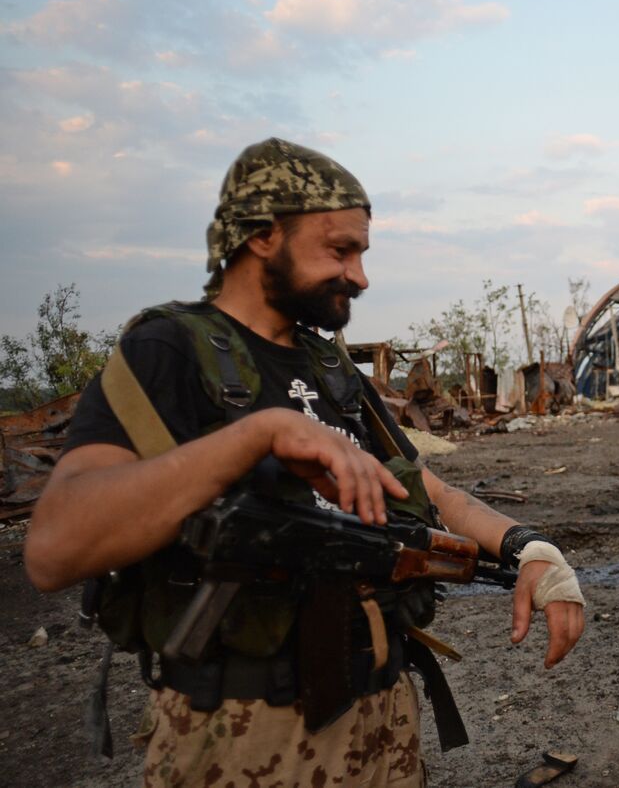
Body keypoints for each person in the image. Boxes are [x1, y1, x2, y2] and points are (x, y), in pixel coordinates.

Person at [24, 138, 585, 787]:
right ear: (263, 236)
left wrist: (531, 548)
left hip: (381, 718)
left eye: (362, 253)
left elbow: (427, 491)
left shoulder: (329, 365)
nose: (360, 276)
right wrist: (260, 433)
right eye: (339, 250)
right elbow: (55, 545)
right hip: (240, 734)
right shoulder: (168, 351)